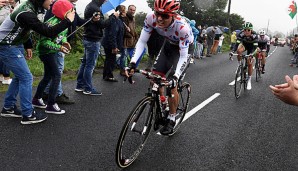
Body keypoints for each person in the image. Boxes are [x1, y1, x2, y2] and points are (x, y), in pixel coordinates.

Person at [0, 0, 75, 124]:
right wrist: (68, 21)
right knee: (27, 78)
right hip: (6, 45)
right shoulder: (26, 12)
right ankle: (28, 114)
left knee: (20, 77)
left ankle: (8, 107)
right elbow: (47, 32)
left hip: (15, 44)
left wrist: (28, 45)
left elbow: (23, 28)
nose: (51, 1)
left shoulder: (31, 8)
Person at [126, 0, 194, 135]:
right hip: (168, 46)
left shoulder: (182, 28)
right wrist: (133, 63)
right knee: (155, 78)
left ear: (173, 15)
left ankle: (172, 118)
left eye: (165, 16)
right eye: (158, 13)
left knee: (171, 84)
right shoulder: (150, 18)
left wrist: (175, 77)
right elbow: (142, 41)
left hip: (183, 51)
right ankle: (163, 103)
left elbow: (182, 56)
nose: (159, 19)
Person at [42, 0, 90, 104]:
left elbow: (77, 21)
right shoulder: (58, 6)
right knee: (58, 70)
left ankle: (45, 92)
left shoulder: (70, 7)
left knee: (51, 71)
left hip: (62, 41)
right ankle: (57, 94)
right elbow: (49, 27)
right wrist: (59, 43)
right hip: (55, 44)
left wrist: (91, 20)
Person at [32, 0, 74, 115]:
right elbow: (44, 42)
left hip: (51, 51)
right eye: (71, 11)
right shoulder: (52, 23)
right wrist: (59, 48)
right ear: (64, 11)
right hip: (45, 52)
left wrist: (65, 43)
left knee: (48, 76)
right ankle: (51, 104)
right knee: (56, 75)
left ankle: (36, 99)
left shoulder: (63, 22)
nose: (73, 13)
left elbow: (62, 36)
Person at [75, 0, 117, 95]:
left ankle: (80, 85)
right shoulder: (96, 8)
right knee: (90, 65)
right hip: (93, 39)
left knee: (85, 63)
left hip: (88, 37)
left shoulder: (90, 6)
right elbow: (102, 25)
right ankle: (88, 88)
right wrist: (113, 17)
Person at [232, 21, 258, 90]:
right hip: (244, 45)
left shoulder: (254, 35)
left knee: (249, 63)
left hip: (252, 48)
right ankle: (239, 64)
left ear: (251, 30)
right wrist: (232, 51)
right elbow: (237, 44)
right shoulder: (241, 34)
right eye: (245, 30)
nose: (246, 31)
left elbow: (255, 47)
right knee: (239, 50)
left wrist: (251, 54)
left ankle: (249, 80)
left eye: (248, 30)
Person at [101, 5, 124, 82]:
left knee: (109, 59)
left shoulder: (119, 20)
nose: (125, 12)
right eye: (124, 11)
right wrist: (114, 46)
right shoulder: (113, 20)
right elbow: (112, 34)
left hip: (110, 43)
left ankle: (106, 75)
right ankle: (109, 76)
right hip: (110, 44)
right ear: (119, 12)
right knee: (111, 60)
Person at [119, 4, 138, 76]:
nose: (132, 11)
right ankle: (123, 70)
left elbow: (134, 28)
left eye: (134, 10)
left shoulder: (133, 18)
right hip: (125, 40)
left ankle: (131, 68)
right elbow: (124, 30)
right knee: (124, 56)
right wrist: (130, 34)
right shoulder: (124, 17)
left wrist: (136, 36)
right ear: (128, 9)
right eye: (131, 10)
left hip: (132, 40)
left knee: (133, 55)